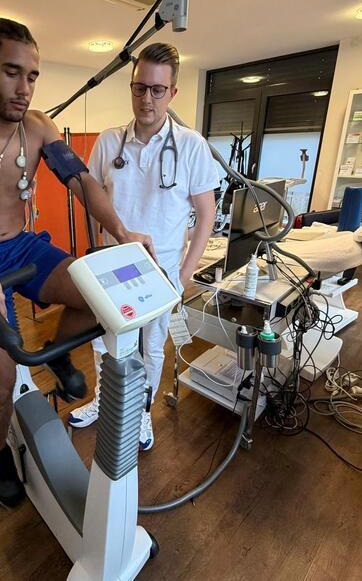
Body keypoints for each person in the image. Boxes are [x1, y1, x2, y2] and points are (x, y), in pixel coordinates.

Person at [0, 18, 153, 508]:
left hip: (23, 246)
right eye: (11, 72)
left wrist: (123, 232)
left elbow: (82, 181)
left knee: (96, 292)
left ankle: (57, 354)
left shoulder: (39, 127)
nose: (24, 88)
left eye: (31, 76)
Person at [68, 42, 220, 450]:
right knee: (105, 343)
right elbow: (94, 202)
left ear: (173, 92)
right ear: (131, 88)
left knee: (151, 348)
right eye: (140, 88)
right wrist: (92, 256)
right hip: (111, 268)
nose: (147, 99)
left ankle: (140, 414)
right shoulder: (108, 142)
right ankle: (105, 401)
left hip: (161, 274)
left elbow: (206, 215)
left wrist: (183, 276)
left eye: (157, 90)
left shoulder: (191, 146)